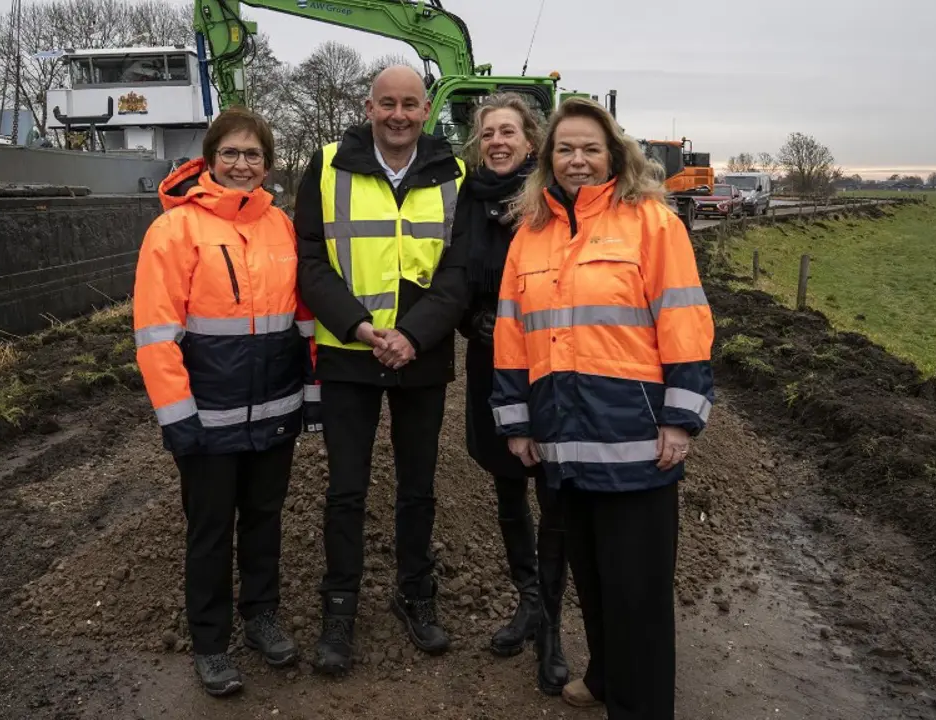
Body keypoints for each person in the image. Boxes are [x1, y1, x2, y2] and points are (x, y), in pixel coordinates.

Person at [491, 97, 715, 719]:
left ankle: (640, 705)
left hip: (636, 439)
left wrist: (680, 416)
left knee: (636, 591)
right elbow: (511, 334)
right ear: (548, 158)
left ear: (614, 154)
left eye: (591, 148)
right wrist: (516, 420)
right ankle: (607, 675)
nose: (577, 160)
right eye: (565, 149)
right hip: (563, 441)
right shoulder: (530, 233)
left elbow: (685, 321)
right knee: (590, 578)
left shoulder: (650, 222)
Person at [132, 106, 321, 698]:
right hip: (207, 417)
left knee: (264, 521)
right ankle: (211, 642)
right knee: (210, 531)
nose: (243, 165)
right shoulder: (174, 230)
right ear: (210, 160)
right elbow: (155, 334)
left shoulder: (282, 226)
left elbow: (303, 320)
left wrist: (310, 396)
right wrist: (177, 417)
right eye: (232, 154)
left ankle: (261, 615)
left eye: (254, 155)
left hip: (274, 408)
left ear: (267, 165)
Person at [294, 65, 468, 676]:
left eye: (410, 105)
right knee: (345, 490)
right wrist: (364, 329)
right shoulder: (325, 164)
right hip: (349, 354)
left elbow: (458, 272)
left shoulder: (455, 171)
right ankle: (339, 606)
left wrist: (412, 336)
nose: (398, 115)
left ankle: (415, 594)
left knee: (418, 488)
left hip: (420, 355)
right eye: (387, 104)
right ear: (368, 107)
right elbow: (309, 260)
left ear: (427, 110)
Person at [454, 93, 568, 695]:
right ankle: (527, 600)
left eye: (509, 132)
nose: (498, 141)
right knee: (506, 484)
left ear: (531, 140)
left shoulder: (548, 201)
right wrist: (468, 321)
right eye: (488, 133)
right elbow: (453, 276)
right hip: (488, 359)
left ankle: (550, 626)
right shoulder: (467, 202)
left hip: (546, 362)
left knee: (552, 490)